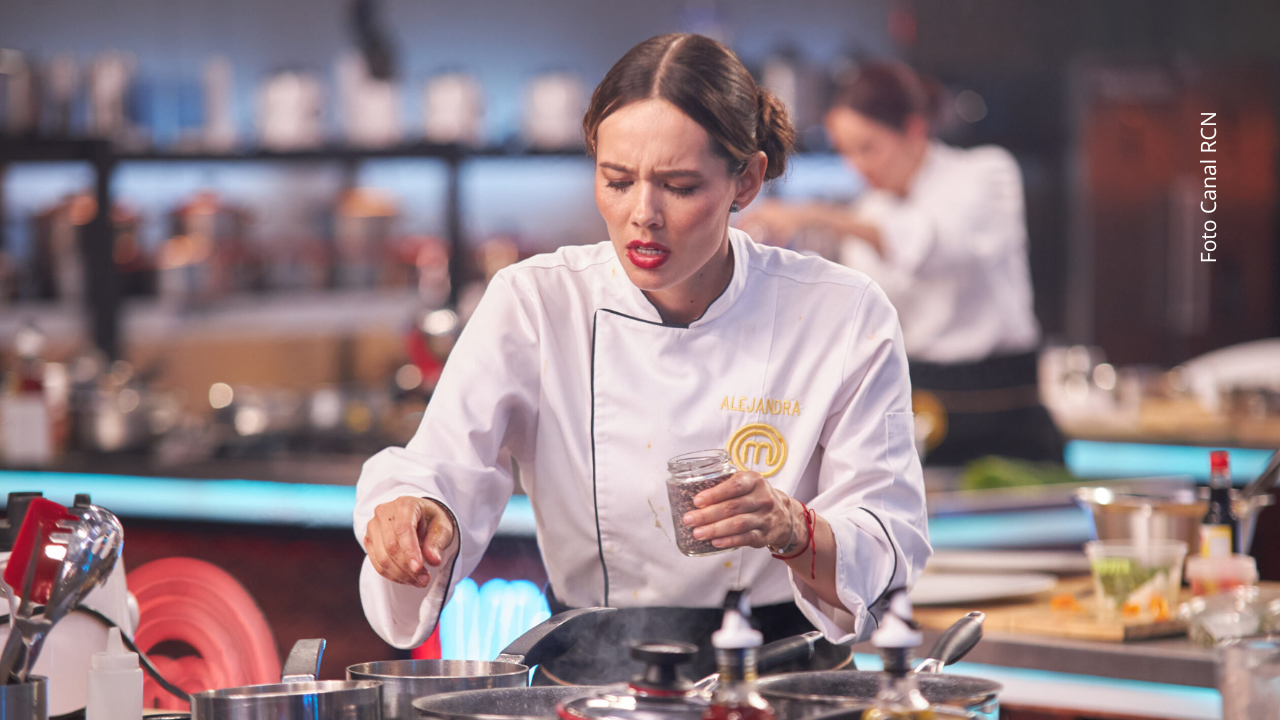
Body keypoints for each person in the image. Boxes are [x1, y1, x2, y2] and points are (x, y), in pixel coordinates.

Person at [354, 35, 930, 683]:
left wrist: (792, 527)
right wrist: (417, 516)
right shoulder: (540, 301)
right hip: (593, 682)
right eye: (617, 181)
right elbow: (440, 467)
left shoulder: (841, 312)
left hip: (786, 682)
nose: (641, 217)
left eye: (679, 186)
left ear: (747, 179)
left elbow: (889, 537)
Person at [745, 63, 1063, 466]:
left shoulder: (986, 174)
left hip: (1004, 408)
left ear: (914, 130)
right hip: (921, 402)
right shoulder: (870, 211)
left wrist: (818, 215)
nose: (857, 166)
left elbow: (935, 248)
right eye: (846, 152)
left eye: (868, 148)